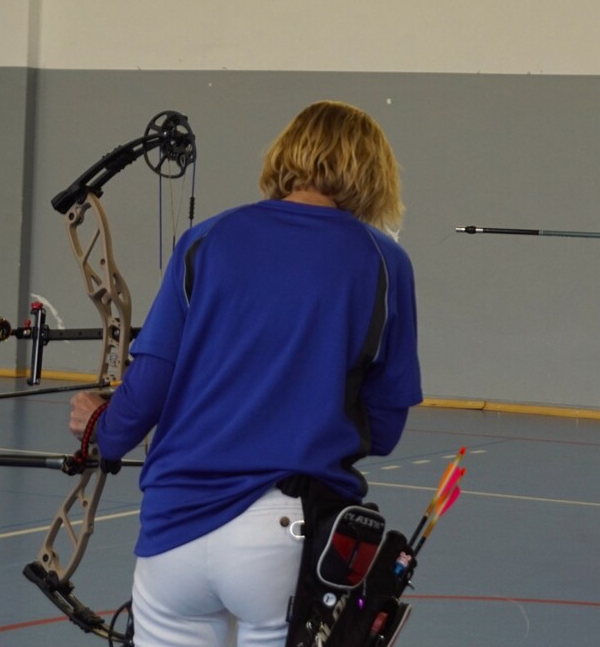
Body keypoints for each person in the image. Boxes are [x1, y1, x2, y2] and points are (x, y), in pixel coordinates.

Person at [68, 100, 423, 647]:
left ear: (286, 156)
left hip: (172, 534)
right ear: (372, 173)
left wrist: (101, 429)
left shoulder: (206, 240)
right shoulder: (383, 262)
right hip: (285, 534)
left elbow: (150, 385)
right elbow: (385, 427)